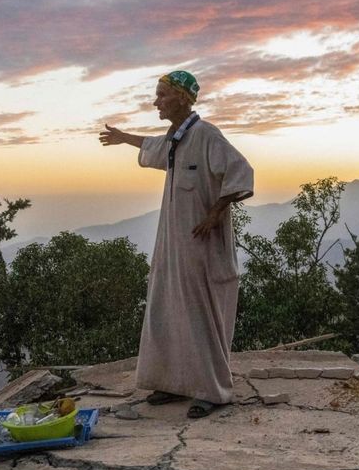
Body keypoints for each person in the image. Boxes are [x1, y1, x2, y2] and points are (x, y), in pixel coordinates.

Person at [98, 71, 254, 418]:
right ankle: (171, 382)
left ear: (183, 97)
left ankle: (212, 391)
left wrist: (215, 212)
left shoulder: (206, 135)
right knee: (167, 306)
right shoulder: (178, 137)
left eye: (162, 95)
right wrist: (124, 138)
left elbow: (241, 172)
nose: (156, 101)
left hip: (200, 243)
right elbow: (156, 146)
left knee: (200, 311)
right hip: (173, 241)